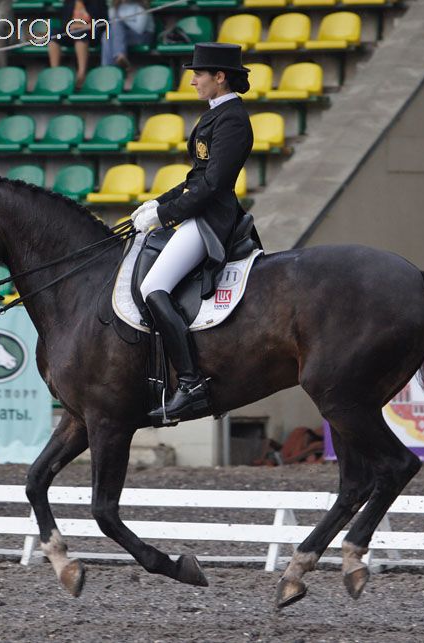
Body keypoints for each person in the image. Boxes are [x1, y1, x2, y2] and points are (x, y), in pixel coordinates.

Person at [130, 42, 256, 424]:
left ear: (219, 77)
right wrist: (157, 202)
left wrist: (165, 215)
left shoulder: (232, 119)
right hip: (198, 210)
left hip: (211, 219)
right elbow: (195, 176)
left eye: (199, 74)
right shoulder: (217, 114)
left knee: (153, 288)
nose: (193, 80)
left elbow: (214, 184)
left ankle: (191, 383)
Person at [47, 0, 109, 89]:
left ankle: (81, 73)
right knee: (54, 34)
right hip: (72, 32)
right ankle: (55, 71)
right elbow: (65, 23)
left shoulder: (97, 2)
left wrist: (81, 27)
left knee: (79, 33)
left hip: (92, 34)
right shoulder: (69, 2)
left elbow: (103, 23)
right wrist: (75, 27)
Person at [101, 0, 155, 69]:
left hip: (143, 36)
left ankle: (113, 63)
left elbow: (139, 29)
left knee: (116, 25)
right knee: (106, 34)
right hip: (122, 37)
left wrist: (122, 20)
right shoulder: (115, 7)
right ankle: (109, 66)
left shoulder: (141, 6)